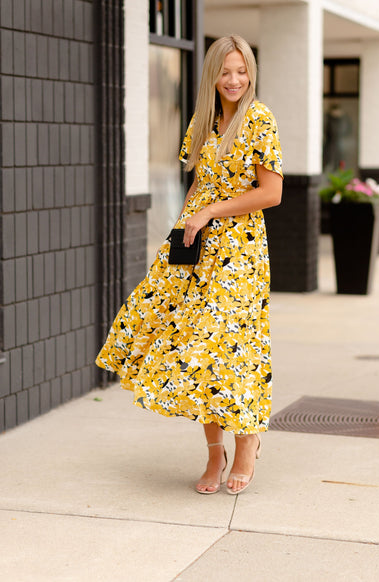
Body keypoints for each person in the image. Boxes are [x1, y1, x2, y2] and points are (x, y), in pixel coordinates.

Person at [96, 34, 283, 495]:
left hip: (239, 254)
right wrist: (182, 231)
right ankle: (213, 454)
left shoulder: (259, 119)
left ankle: (247, 443)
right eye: (225, 71)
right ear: (212, 75)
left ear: (251, 73)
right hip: (195, 247)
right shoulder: (203, 120)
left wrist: (208, 214)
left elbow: (271, 193)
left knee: (231, 350)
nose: (234, 79)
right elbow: (199, 186)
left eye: (241, 71)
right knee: (192, 349)